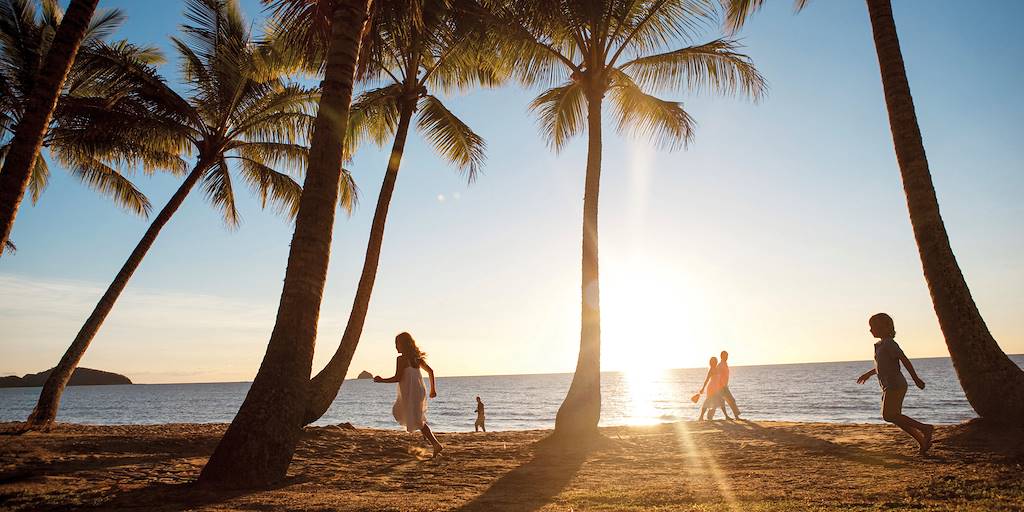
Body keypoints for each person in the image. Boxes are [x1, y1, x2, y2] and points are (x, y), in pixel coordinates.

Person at [856, 313, 934, 455]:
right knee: (894, 416)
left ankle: (925, 428)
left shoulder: (889, 343)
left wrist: (915, 378)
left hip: (896, 384)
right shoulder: (880, 345)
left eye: (873, 327)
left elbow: (903, 359)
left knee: (889, 415)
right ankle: (922, 440)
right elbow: (883, 366)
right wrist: (868, 374)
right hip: (888, 385)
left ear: (884, 327)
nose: (870, 330)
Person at [374, 332, 444, 456]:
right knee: (416, 418)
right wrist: (433, 389)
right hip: (419, 391)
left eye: (397, 343)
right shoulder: (417, 358)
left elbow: (397, 377)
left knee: (410, 416)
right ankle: (433, 443)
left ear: (404, 344)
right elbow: (430, 371)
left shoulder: (401, 359)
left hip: (411, 392)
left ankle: (436, 444)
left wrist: (381, 380)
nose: (396, 346)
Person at [697, 356, 730, 421]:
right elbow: (707, 380)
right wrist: (703, 388)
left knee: (720, 401)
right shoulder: (711, 370)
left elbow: (720, 380)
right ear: (711, 362)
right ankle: (701, 417)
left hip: (717, 388)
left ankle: (726, 416)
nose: (715, 362)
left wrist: (724, 386)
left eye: (715, 361)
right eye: (713, 361)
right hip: (711, 388)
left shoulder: (717, 369)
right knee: (708, 402)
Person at [718, 350, 741, 418]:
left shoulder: (725, 364)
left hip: (724, 385)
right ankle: (735, 415)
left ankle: (734, 415)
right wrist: (723, 385)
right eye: (725, 356)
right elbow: (719, 376)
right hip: (722, 386)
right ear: (721, 356)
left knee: (725, 401)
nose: (727, 357)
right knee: (730, 400)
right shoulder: (721, 365)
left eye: (727, 356)